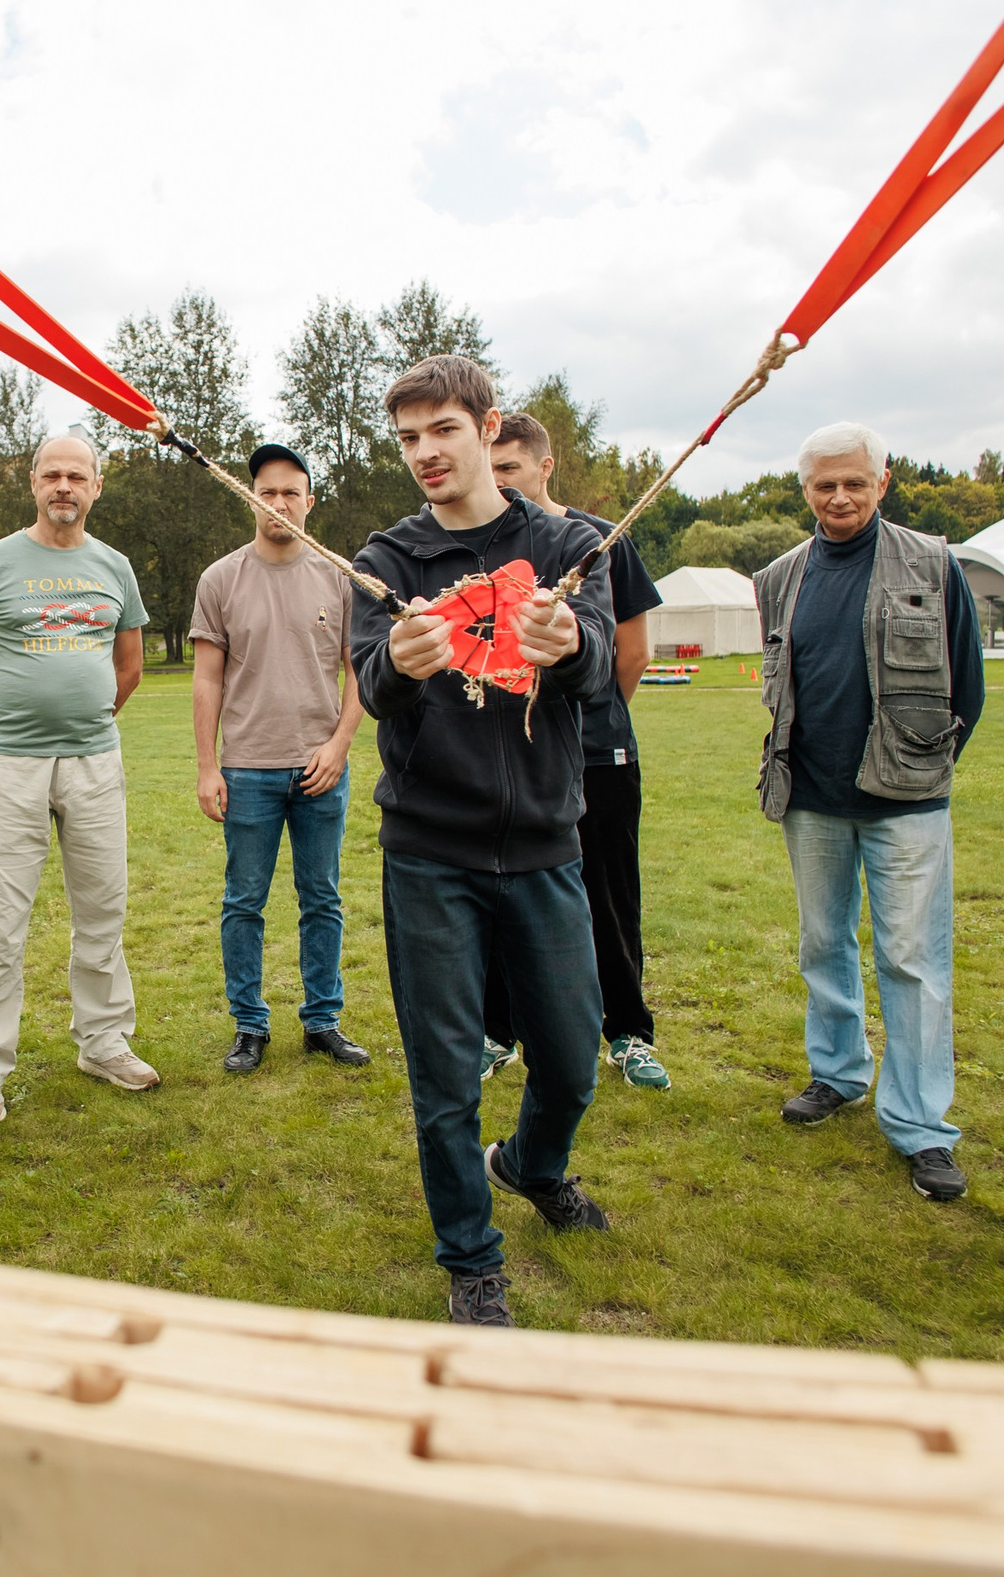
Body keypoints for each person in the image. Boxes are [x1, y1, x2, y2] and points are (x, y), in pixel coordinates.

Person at [349, 355, 617, 1328]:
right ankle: (471, 1260)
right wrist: (398, 661)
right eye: (407, 438)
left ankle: (531, 1166)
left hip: (545, 845)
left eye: (442, 432)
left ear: (486, 428)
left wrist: (569, 644)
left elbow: (593, 672)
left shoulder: (566, 542)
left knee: (571, 1060)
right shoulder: (386, 559)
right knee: (445, 1075)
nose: (424, 453)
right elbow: (368, 681)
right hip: (429, 853)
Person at [754, 423, 984, 1202]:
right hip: (811, 799)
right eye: (825, 485)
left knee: (912, 958)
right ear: (806, 489)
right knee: (824, 943)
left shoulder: (934, 562)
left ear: (882, 483)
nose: (840, 497)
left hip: (907, 801)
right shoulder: (780, 576)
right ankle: (838, 1073)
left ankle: (922, 1127)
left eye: (855, 483)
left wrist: (921, 763)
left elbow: (968, 684)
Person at [0, 425, 157, 1122]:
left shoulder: (115, 566)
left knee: (103, 908)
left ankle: (102, 1040)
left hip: (94, 761)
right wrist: (5, 735)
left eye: (77, 475)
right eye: (51, 475)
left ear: (96, 485)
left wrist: (88, 718)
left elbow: (129, 666)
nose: (63, 486)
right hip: (13, 764)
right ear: (34, 484)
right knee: (1, 916)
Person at [481, 417, 668, 1092]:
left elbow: (633, 650)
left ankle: (627, 1033)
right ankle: (497, 1031)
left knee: (608, 895)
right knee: (502, 893)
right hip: (511, 757)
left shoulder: (599, 539)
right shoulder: (487, 548)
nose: (498, 482)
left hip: (597, 752)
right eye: (490, 468)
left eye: (509, 469)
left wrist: (579, 718)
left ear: (544, 466)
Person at [191, 441, 370, 1074]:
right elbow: (207, 679)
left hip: (321, 769)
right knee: (245, 902)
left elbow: (358, 673)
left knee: (321, 898)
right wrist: (208, 766)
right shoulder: (221, 579)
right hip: (247, 770)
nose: (279, 502)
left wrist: (339, 745)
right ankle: (249, 1026)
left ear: (310, 501)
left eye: (291, 491)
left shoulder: (339, 576)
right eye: (266, 491)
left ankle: (324, 1021)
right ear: (249, 498)